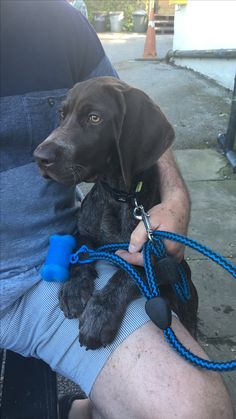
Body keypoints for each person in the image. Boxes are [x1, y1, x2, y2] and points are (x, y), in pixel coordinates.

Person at [0, 1, 233, 419]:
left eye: (87, 117)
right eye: (63, 115)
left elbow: (133, 112)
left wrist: (175, 199)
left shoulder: (59, 23)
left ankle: (85, 407)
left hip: (41, 267)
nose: (47, 145)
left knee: (197, 409)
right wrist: (82, 270)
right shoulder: (95, 206)